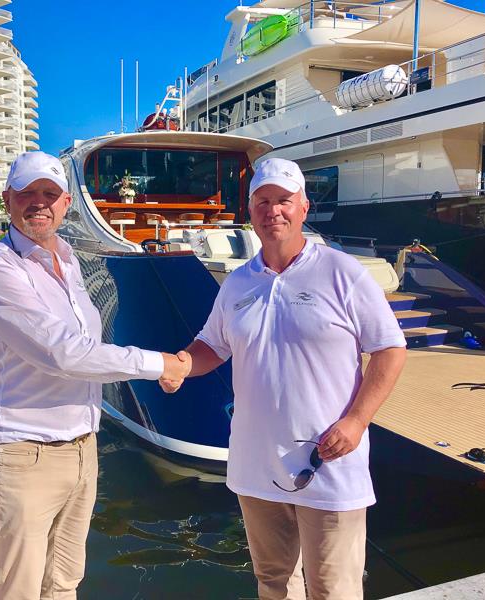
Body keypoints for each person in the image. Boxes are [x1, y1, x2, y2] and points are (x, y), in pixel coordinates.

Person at [162, 158, 406, 600]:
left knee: (334, 589)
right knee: (273, 584)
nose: (273, 210)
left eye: (283, 201)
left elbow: (390, 349)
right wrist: (179, 364)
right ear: (250, 211)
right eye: (263, 201)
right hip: (255, 468)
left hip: (329, 463)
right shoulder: (237, 282)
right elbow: (212, 346)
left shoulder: (342, 272)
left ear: (304, 207)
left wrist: (356, 422)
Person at [0, 151, 191, 600]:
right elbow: (64, 353)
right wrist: (162, 364)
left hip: (82, 451)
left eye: (49, 194)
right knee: (20, 590)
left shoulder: (70, 263)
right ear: (7, 199)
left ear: (67, 202)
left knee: (65, 583)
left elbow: (90, 344)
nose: (38, 203)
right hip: (23, 455)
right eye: (27, 193)